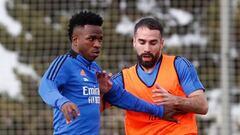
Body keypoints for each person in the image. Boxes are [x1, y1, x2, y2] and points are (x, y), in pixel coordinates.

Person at [38, 11, 176, 135]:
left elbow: (121, 96)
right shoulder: (65, 63)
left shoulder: (96, 70)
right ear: (75, 40)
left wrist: (159, 111)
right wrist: (62, 102)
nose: (97, 44)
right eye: (91, 39)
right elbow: (46, 86)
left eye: (100, 39)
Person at [109, 17, 208, 135]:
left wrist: (176, 101)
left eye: (153, 43)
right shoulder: (123, 79)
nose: (147, 48)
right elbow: (94, 103)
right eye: (142, 42)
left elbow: (202, 106)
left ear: (161, 43)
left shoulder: (179, 65)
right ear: (134, 42)